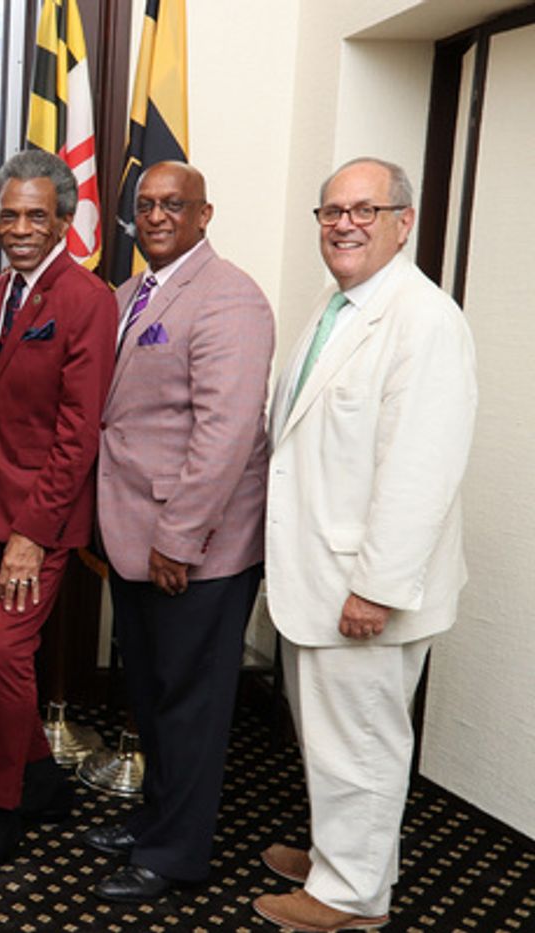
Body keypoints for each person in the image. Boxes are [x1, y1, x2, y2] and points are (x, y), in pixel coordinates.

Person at [253, 158, 478, 931]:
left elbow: (421, 469)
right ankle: (340, 855)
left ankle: (350, 898)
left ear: (402, 222)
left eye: (364, 209)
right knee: (334, 735)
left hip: (364, 586)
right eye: (330, 211)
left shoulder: (425, 321)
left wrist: (376, 586)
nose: (343, 223)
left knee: (365, 741)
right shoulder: (341, 303)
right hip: (315, 571)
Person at [0, 149, 117, 879]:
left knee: (6, 653)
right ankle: (39, 773)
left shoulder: (87, 298)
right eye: (9, 214)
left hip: (38, 520)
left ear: (65, 219)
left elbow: (78, 429)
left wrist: (33, 534)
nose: (21, 227)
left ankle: (1, 812)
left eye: (37, 215)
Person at [86, 161, 274, 902]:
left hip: (196, 547)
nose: (158, 216)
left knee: (191, 704)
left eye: (175, 204)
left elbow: (226, 431)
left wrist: (181, 537)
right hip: (136, 536)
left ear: (205, 215)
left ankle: (175, 854)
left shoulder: (231, 298)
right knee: (156, 694)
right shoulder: (131, 295)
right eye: (146, 205)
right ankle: (156, 816)